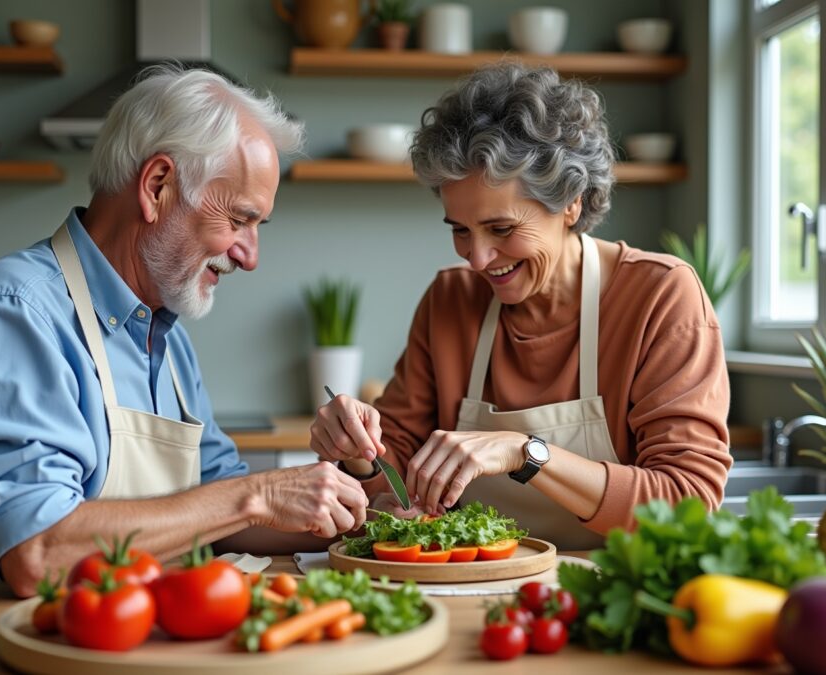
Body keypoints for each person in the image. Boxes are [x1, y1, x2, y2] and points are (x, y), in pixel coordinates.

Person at [0, 65, 368, 597]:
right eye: (238, 219)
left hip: (111, 630)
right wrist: (257, 496)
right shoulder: (15, 313)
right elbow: (35, 552)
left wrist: (354, 506)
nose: (249, 256)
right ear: (157, 186)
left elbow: (220, 513)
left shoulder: (166, 337)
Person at [309, 63, 732, 550]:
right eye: (460, 230)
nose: (477, 259)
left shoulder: (660, 296)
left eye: (502, 229)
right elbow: (396, 483)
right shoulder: (450, 299)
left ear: (571, 203)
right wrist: (360, 455)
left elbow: (687, 502)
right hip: (474, 582)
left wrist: (526, 452)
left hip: (611, 582)